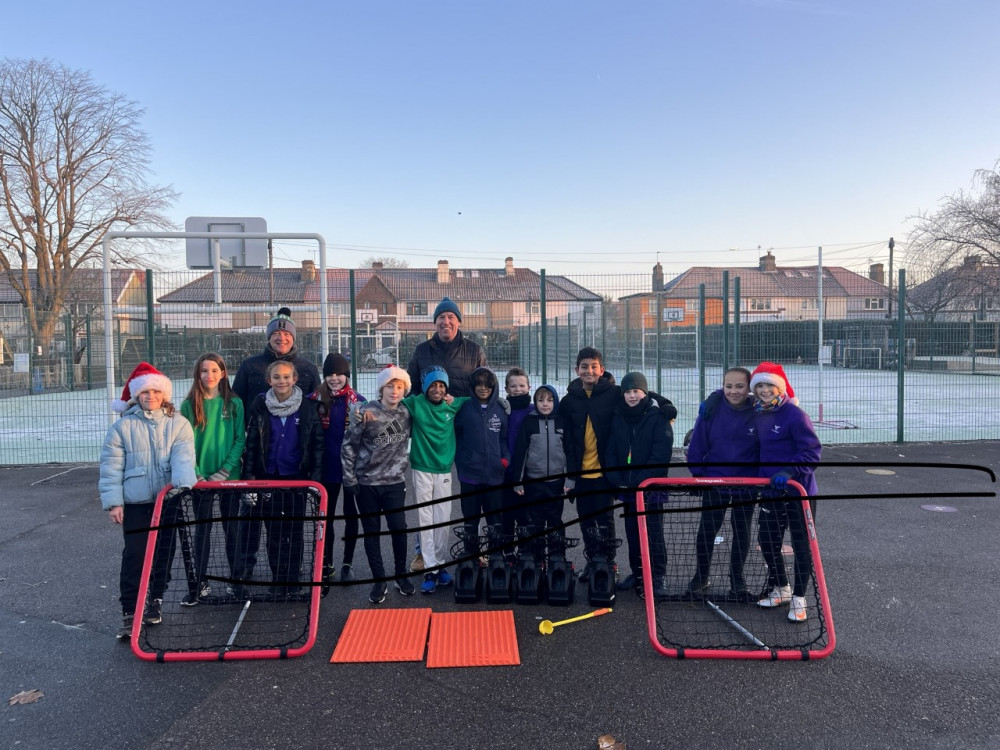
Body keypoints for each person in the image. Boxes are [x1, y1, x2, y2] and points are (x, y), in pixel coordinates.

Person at [99, 363, 197, 640]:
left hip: (168, 499)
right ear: (136, 396)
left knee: (164, 552)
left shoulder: (179, 424)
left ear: (164, 394)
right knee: (135, 554)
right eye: (145, 392)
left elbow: (184, 455)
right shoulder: (122, 427)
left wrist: (182, 483)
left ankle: (154, 599)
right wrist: (114, 502)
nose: (150, 396)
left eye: (156, 391)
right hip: (137, 502)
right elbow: (111, 467)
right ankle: (131, 611)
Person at [405, 296, 486, 572]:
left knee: (469, 490)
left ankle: (472, 548)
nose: (445, 321)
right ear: (435, 323)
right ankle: (422, 553)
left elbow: (483, 386)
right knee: (426, 500)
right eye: (441, 317)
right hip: (431, 432)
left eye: (451, 317)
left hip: (465, 428)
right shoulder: (421, 351)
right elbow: (412, 388)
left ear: (459, 321)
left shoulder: (474, 350)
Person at [240, 360, 324, 596]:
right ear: (269, 380)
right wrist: (249, 480)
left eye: (286, 377)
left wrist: (316, 481)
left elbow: (317, 446)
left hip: (297, 479)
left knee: (295, 531)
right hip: (270, 478)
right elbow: (253, 445)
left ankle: (293, 579)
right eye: (276, 377)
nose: (282, 381)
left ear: (295, 379)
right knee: (274, 532)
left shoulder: (308, 407)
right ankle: (278, 579)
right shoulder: (261, 405)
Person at [749, 361, 822, 623]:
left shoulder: (794, 414)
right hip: (770, 491)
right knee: (768, 541)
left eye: (769, 385)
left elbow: (812, 453)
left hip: (797, 491)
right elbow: (727, 396)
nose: (764, 390)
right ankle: (782, 587)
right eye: (760, 385)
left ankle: (800, 598)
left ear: (779, 387)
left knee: (802, 544)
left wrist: (789, 472)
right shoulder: (756, 411)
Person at [341, 365, 415, 604]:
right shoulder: (365, 412)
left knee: (398, 529)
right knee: (372, 532)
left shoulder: (407, 412)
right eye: (390, 386)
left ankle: (400, 576)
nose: (394, 391)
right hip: (367, 484)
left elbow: (434, 408)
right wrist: (350, 480)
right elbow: (349, 446)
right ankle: (379, 579)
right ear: (381, 388)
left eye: (399, 387)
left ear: (405, 390)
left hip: (395, 483)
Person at [179, 353, 246, 606]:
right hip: (201, 479)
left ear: (223, 373)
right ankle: (199, 584)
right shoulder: (188, 406)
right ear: (198, 374)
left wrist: (226, 470)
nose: (209, 375)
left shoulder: (235, 403)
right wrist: (196, 472)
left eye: (214, 370)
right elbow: (184, 444)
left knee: (232, 530)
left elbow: (241, 440)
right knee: (203, 531)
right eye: (204, 371)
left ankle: (237, 581)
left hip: (229, 477)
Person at [686, 366, 759, 599]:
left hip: (746, 483)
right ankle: (701, 576)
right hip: (715, 480)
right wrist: (698, 475)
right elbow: (698, 443)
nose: (734, 391)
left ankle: (737, 580)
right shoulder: (711, 409)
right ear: (722, 386)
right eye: (728, 386)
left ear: (749, 388)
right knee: (707, 529)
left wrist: (761, 478)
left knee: (741, 529)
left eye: (740, 386)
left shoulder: (758, 410)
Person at [603, 372, 673, 600]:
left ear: (645, 392)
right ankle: (638, 572)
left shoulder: (658, 416)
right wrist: (616, 479)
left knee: (653, 532)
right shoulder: (618, 416)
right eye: (628, 392)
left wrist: (640, 480)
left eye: (636, 391)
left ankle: (658, 576)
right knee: (633, 533)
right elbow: (611, 450)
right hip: (628, 490)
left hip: (650, 489)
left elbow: (660, 455)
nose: (632, 396)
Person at [557, 347, 621, 581]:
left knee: (605, 521)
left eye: (594, 366)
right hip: (580, 475)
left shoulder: (614, 394)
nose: (589, 370)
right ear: (577, 370)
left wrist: (664, 407)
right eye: (584, 366)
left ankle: (609, 563)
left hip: (604, 474)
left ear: (601, 370)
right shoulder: (569, 401)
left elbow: (644, 396)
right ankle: (593, 561)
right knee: (586, 521)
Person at [400, 366, 465, 594]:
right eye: (433, 385)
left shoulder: (453, 404)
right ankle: (430, 569)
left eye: (441, 385)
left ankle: (439, 564)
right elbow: (390, 401)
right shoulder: (416, 403)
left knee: (443, 519)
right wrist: (362, 408)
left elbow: (479, 401)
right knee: (426, 519)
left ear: (446, 388)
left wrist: (503, 402)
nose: (437, 389)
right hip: (421, 468)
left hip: (444, 470)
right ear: (425, 387)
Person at [306, 352, 366, 585]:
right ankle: (327, 561)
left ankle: (347, 564)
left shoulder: (358, 401)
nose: (334, 379)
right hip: (325, 469)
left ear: (346, 376)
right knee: (326, 518)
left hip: (351, 469)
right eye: (330, 374)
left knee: (352, 515)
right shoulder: (313, 400)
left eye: (339, 374)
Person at [453, 366, 509, 558]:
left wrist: (504, 460)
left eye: (487, 385)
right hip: (470, 476)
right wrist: (462, 461)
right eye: (479, 384)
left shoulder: (501, 410)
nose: (483, 388)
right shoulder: (464, 409)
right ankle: (471, 558)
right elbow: (455, 436)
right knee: (471, 521)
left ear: (493, 386)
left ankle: (496, 558)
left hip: (494, 476)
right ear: (473, 386)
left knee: (494, 520)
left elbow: (503, 439)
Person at [232, 307, 320, 426]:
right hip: (260, 437)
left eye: (286, 333)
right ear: (269, 337)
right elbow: (236, 403)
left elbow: (316, 406)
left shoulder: (308, 368)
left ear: (293, 337)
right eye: (276, 333)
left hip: (298, 438)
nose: (281, 338)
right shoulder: (249, 366)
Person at [511, 384, 575, 545]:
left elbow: (570, 452)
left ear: (555, 402)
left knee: (555, 520)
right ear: (535, 402)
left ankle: (557, 557)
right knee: (536, 520)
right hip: (534, 482)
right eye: (541, 400)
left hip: (557, 483)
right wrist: (518, 482)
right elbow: (521, 453)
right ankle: (537, 558)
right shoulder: (529, 422)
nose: (545, 404)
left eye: (549, 400)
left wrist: (570, 479)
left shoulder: (562, 422)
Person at [501, 367, 533, 543]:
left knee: (525, 515)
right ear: (506, 389)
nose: (518, 389)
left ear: (528, 387)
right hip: (506, 472)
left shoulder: (534, 411)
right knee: (506, 514)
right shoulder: (502, 411)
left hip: (527, 473)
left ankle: (525, 551)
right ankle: (507, 553)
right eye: (513, 386)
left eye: (522, 385)